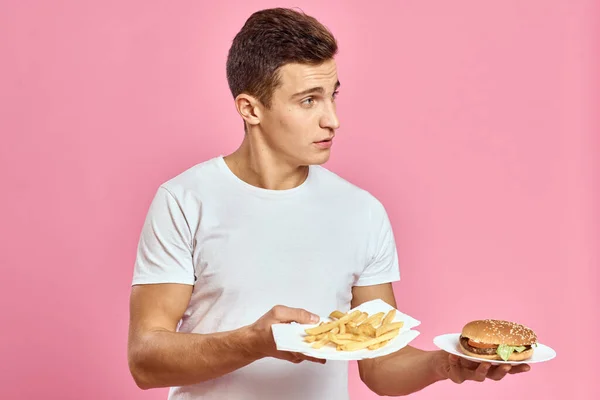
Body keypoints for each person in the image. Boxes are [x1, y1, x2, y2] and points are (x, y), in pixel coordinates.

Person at [127, 7, 530, 399]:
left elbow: (379, 365)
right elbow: (145, 360)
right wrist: (253, 342)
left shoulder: (361, 211)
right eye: (308, 100)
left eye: (332, 95)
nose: (332, 119)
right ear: (250, 108)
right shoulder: (184, 200)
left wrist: (445, 365)